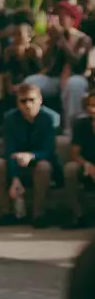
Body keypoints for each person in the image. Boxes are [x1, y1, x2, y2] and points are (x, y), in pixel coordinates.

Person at [0, 83, 60, 228]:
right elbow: (9, 149)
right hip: (16, 162)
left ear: (40, 100)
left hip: (40, 161)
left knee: (44, 167)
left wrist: (31, 156)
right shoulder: (10, 118)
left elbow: (49, 150)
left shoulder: (50, 118)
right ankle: (7, 212)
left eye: (32, 100)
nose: (28, 105)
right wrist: (15, 177)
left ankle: (39, 214)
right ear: (17, 103)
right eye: (23, 101)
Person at [24, 1, 91, 132]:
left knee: (74, 84)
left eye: (62, 16)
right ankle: (33, 126)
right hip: (55, 79)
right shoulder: (56, 38)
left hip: (76, 77)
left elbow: (76, 62)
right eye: (57, 16)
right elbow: (47, 64)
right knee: (30, 83)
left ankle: (70, 130)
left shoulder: (83, 39)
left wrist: (62, 39)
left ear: (72, 19)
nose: (58, 19)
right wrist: (52, 43)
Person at [63, 93, 95, 229]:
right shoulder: (81, 125)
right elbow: (74, 153)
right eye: (91, 105)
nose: (93, 109)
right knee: (70, 169)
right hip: (86, 165)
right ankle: (77, 215)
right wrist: (87, 164)